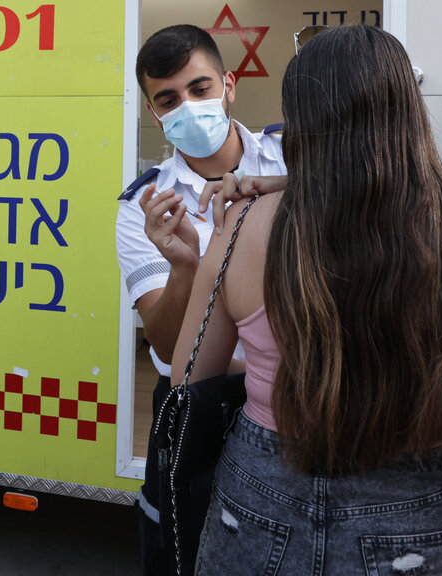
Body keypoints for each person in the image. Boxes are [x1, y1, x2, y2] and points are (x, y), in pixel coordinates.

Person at [172, 24, 442, 576]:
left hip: (254, 509)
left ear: (299, 122)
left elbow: (188, 382)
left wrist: (276, 374)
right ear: (409, 112)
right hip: (418, 526)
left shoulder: (241, 227)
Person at [115, 24, 287, 575]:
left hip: (294, 391)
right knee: (182, 546)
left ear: (229, 85)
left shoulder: (293, 155)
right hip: (197, 400)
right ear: (153, 110)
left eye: (200, 88)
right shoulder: (143, 205)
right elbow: (166, 341)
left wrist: (274, 187)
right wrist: (185, 266)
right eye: (169, 99)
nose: (188, 107)